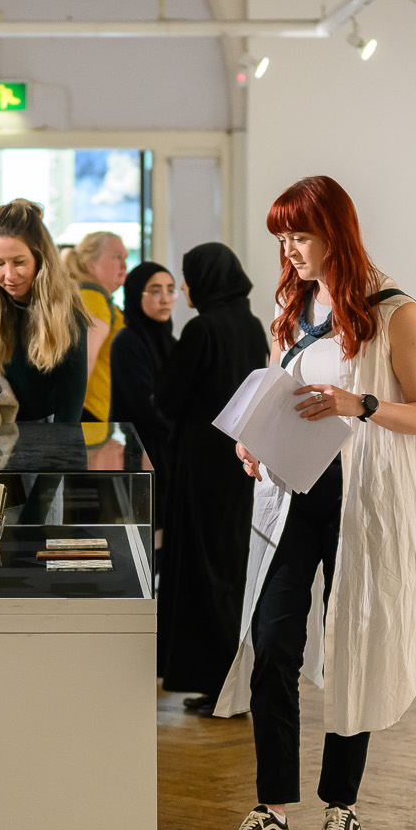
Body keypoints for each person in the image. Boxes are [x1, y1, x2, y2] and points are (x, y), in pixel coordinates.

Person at [214, 176, 416, 830]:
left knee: (355, 639)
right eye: (282, 236)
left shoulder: (393, 309)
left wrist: (359, 403)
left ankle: (342, 805)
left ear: (335, 232)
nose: (289, 248)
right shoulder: (293, 301)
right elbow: (279, 392)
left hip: (364, 501)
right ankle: (272, 806)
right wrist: (254, 441)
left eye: (301, 235)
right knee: (273, 638)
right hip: (294, 493)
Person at [152, 243, 269, 714]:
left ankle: (219, 683)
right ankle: (234, 680)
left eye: (186, 276)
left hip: (201, 464)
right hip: (239, 461)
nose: (183, 287)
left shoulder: (202, 329)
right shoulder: (251, 324)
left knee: (203, 569)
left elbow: (168, 397)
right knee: (229, 567)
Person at [0, 200, 88, 425]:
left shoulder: (66, 304)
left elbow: (71, 402)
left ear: (41, 260)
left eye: (19, 262)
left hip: (45, 429)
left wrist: (62, 454)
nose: (9, 276)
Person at [108, 260, 176, 473]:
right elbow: (142, 405)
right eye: (155, 291)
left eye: (171, 290)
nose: (165, 299)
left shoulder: (169, 340)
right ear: (137, 294)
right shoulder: (127, 340)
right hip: (140, 449)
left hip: (168, 447)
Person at [62, 231, 128, 422]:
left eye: (125, 257)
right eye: (117, 257)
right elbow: (86, 359)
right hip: (86, 413)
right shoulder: (93, 298)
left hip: (89, 412)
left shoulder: (95, 297)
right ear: (91, 263)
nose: (124, 265)